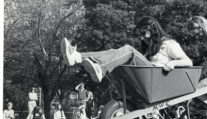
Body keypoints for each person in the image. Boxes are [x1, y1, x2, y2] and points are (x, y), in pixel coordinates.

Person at [60, 16, 193, 83]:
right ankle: (77, 57)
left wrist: (173, 63)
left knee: (129, 50)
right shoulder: (151, 47)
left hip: (156, 77)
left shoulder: (169, 44)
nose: (141, 38)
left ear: (153, 30)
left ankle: (101, 67)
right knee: (114, 52)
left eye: (144, 34)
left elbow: (188, 62)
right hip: (146, 76)